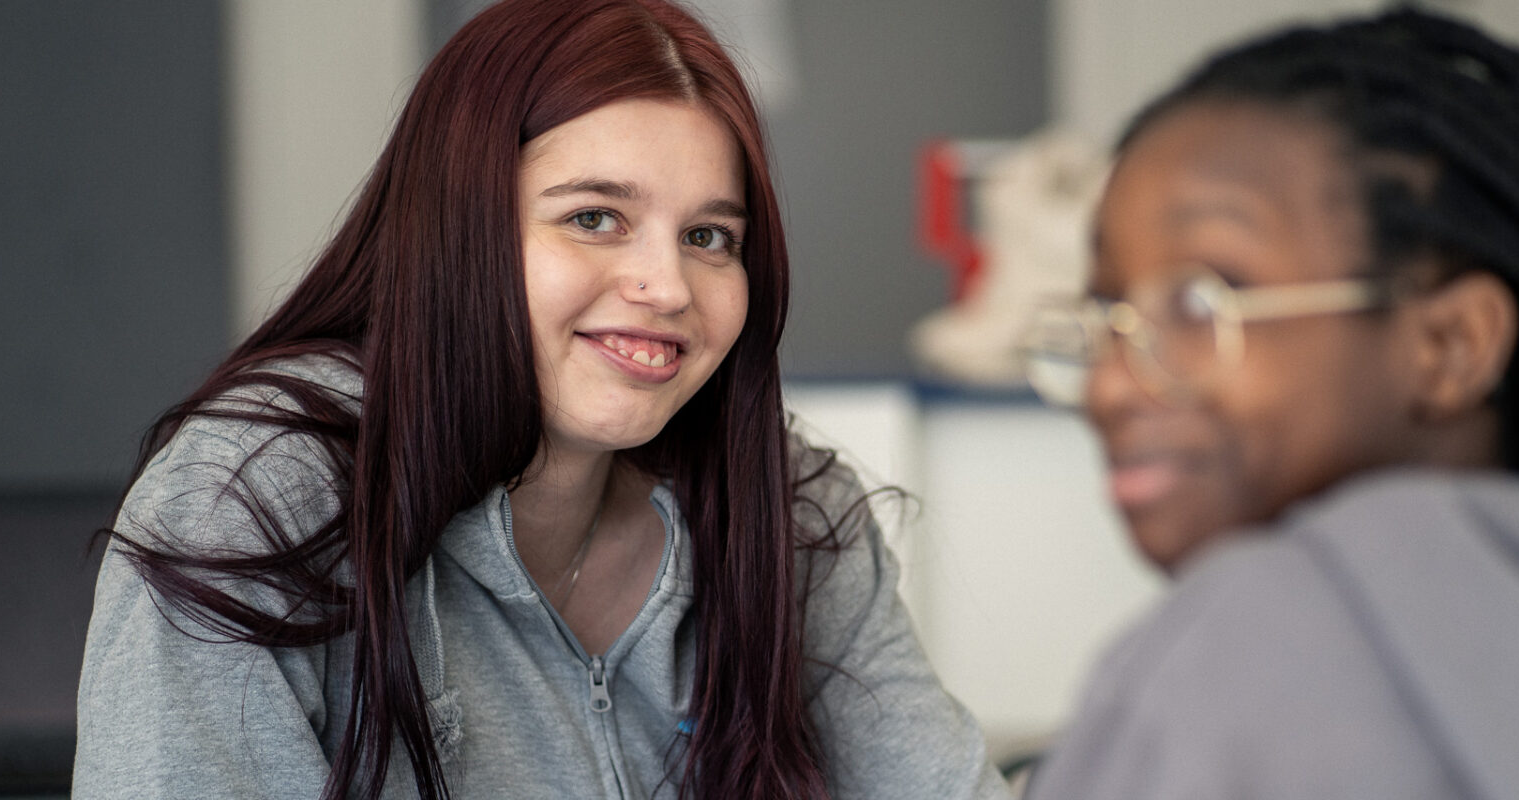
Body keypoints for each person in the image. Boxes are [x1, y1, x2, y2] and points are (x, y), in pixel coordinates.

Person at [72, 2, 1008, 799]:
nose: (668, 285)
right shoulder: (252, 500)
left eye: (710, 237)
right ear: (458, 231)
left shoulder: (792, 507)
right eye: (593, 218)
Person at [1021, 8, 1519, 798]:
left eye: (1201, 303)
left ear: (1451, 345)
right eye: (1106, 312)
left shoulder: (1254, 638)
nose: (1110, 384)